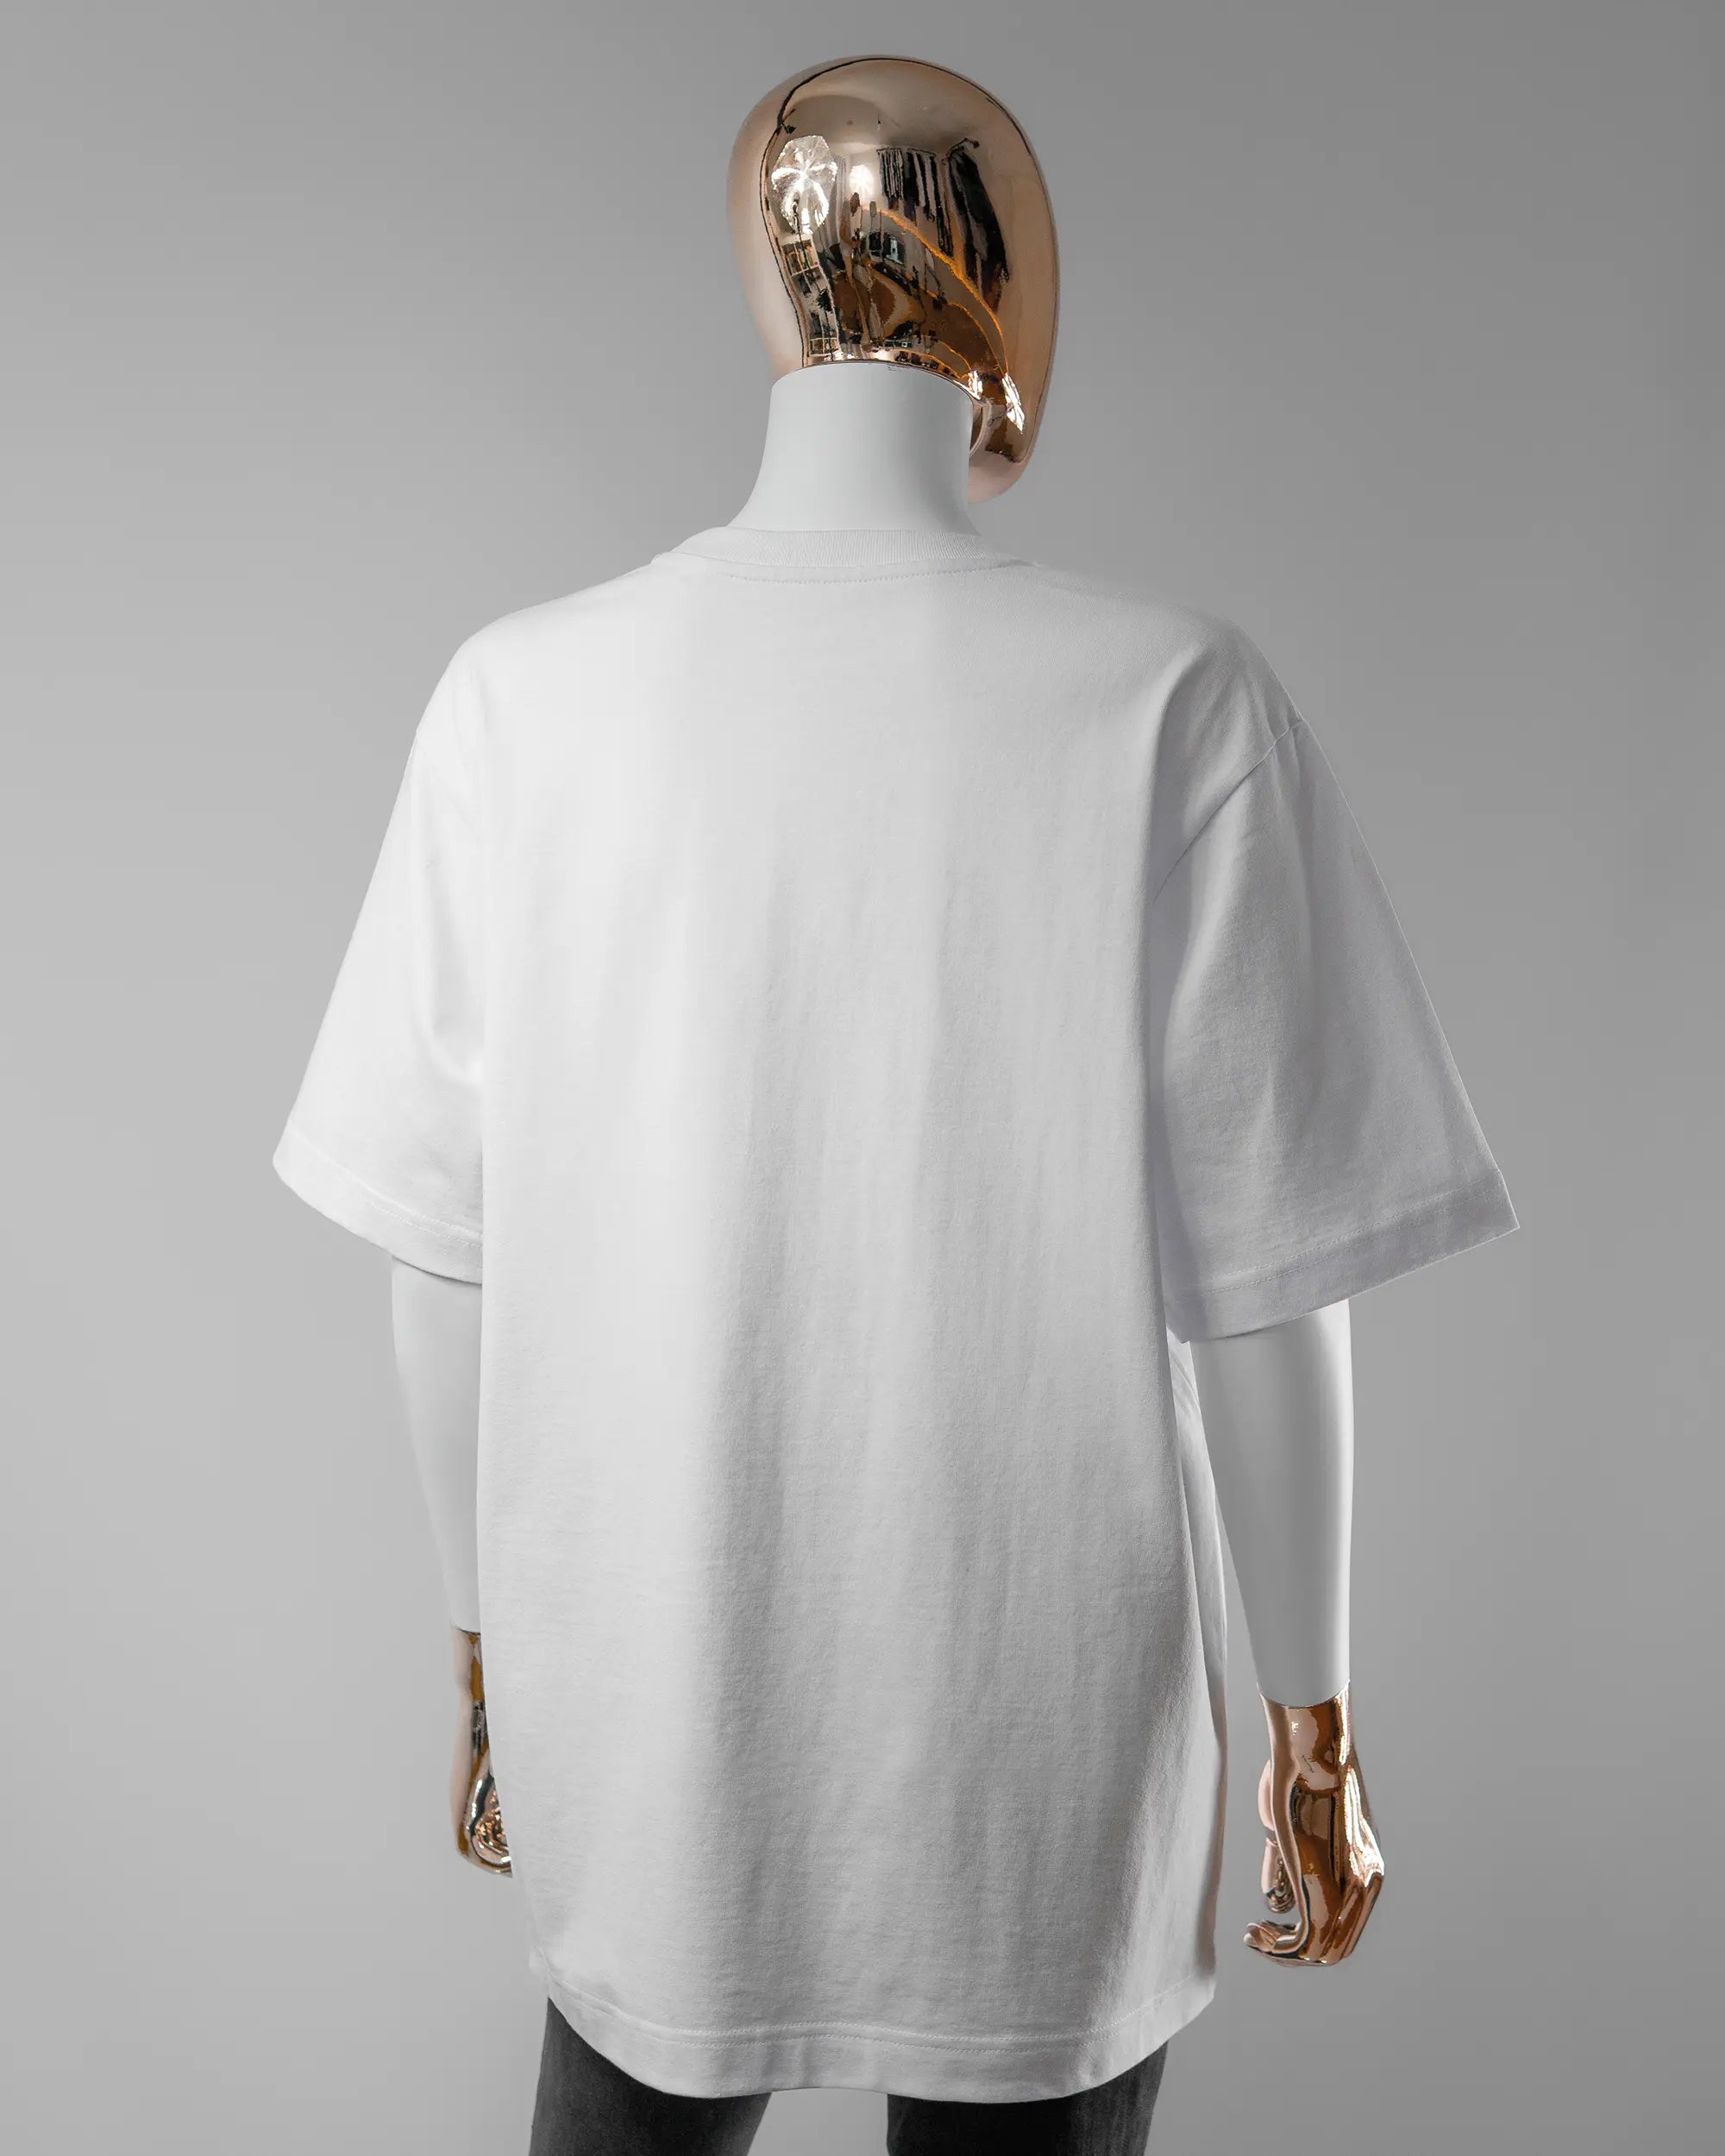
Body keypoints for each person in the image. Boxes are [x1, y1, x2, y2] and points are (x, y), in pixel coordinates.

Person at [273, 57, 1516, 2154]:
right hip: (1037, 1714)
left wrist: (490, 1649)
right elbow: (1269, 1277)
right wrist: (1308, 1718)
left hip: (650, 1688)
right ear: (996, 290)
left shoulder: (522, 696)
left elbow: (442, 1252)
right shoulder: (1162, 700)